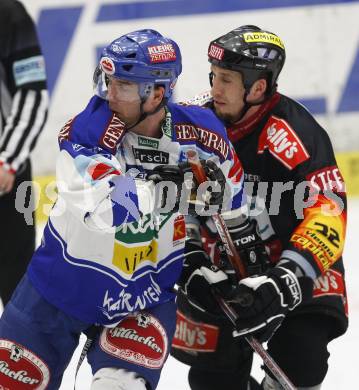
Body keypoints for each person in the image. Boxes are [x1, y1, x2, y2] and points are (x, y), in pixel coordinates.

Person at [0, 29, 245, 390]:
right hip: (60, 290)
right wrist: (172, 188)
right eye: (108, 81)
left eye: (124, 86)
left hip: (139, 298)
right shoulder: (88, 128)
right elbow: (104, 209)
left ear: (156, 94)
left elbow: (232, 199)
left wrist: (225, 258)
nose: (110, 95)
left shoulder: (201, 133)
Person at [171, 25, 348, 390]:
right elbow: (171, 199)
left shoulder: (295, 134)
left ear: (258, 87)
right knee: (212, 380)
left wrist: (286, 280)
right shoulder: (193, 123)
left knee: (301, 362)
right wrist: (189, 258)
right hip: (220, 269)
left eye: (227, 80)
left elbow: (328, 212)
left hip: (291, 267)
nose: (215, 89)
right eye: (214, 76)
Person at [0, 0, 48, 308]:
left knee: (17, 287)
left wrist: (8, 159)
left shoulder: (8, 14)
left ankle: (15, 356)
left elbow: (31, 94)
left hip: (5, 175)